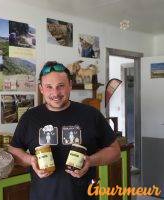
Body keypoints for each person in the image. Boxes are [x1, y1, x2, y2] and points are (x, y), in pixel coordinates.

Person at [8, 61, 120, 200]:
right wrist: (30, 160)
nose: (55, 93)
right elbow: (13, 152)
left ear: (70, 86)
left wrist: (90, 161)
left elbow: (115, 151)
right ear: (41, 88)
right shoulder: (30, 117)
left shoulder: (91, 114)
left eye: (60, 86)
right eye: (49, 87)